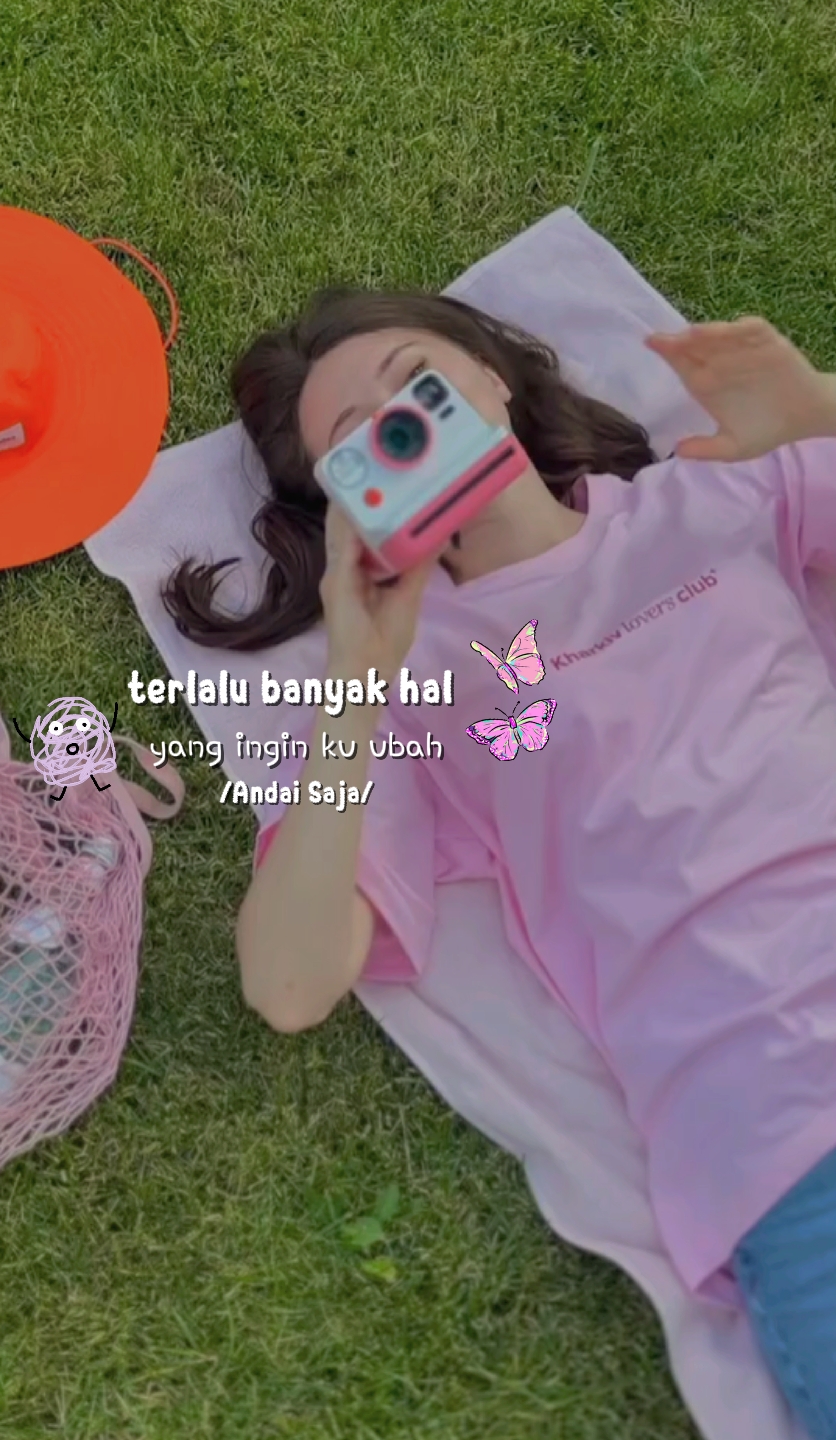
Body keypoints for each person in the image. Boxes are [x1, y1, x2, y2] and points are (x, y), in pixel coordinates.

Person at [162, 289, 836, 1438]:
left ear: (491, 380)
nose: (403, 424)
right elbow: (287, 982)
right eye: (359, 439)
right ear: (345, 503)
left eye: (416, 382)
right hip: (775, 1118)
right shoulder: (408, 682)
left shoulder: (715, 497)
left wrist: (820, 408)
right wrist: (355, 684)